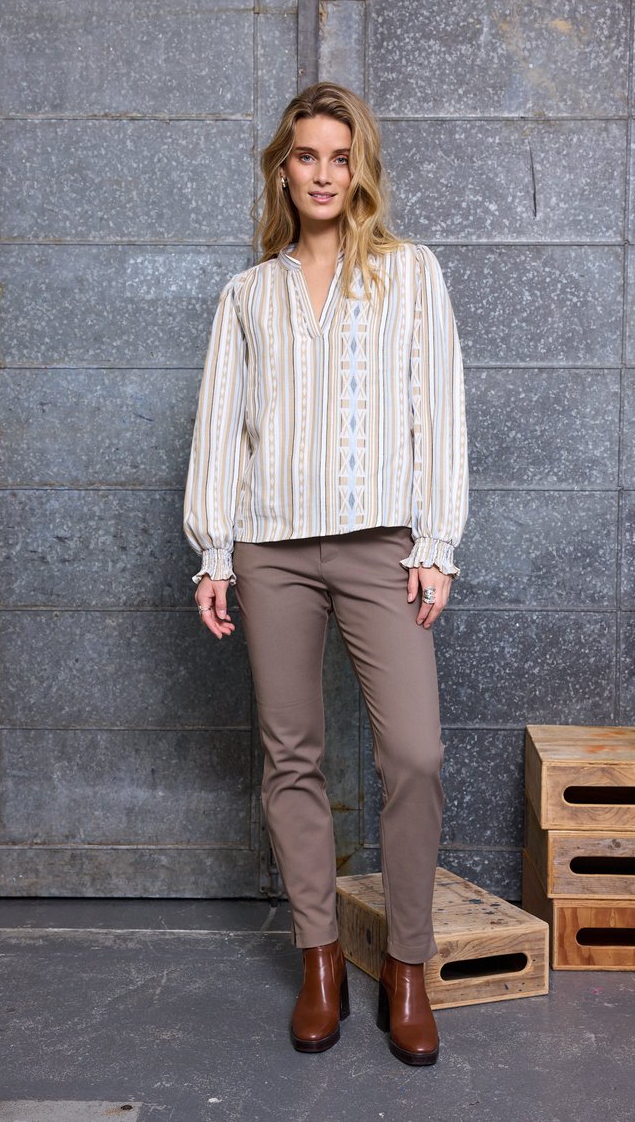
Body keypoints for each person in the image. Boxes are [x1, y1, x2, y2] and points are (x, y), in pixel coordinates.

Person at [182, 82, 468, 1066]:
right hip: (269, 551)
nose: (320, 173)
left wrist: (433, 543)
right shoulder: (246, 295)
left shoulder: (409, 275)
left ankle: (405, 965)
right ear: (281, 167)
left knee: (414, 755)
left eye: (338, 157)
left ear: (359, 170)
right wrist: (213, 551)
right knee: (290, 755)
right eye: (304, 155)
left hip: (379, 545)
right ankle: (316, 960)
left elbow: (438, 417)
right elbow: (220, 429)